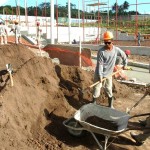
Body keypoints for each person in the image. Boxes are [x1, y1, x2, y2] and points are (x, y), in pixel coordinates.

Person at [92, 31, 128, 108]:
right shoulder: (101, 51)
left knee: (108, 89)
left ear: (112, 41)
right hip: (99, 73)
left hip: (109, 74)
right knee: (97, 89)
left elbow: (124, 55)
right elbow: (100, 65)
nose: (107, 44)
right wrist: (100, 76)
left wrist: (125, 65)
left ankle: (110, 105)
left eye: (108, 42)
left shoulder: (116, 50)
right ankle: (93, 104)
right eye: (105, 43)